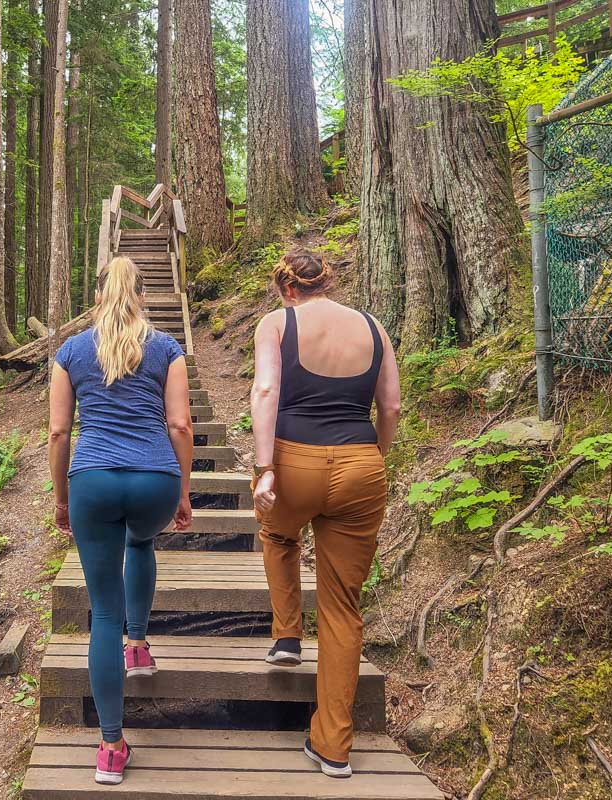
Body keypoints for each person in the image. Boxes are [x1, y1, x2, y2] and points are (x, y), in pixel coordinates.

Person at [249, 249, 401, 779]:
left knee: (278, 534)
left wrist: (265, 468)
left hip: (294, 461)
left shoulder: (277, 323)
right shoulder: (374, 328)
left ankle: (287, 634)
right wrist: (375, 455)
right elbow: (391, 407)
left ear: (287, 289)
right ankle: (334, 746)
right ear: (327, 283)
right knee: (342, 607)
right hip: (361, 465)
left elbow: (266, 390)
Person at [48, 255, 194, 786]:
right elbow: (180, 424)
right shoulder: (166, 348)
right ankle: (138, 645)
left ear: (98, 294)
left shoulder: (70, 351)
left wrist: (61, 499)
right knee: (141, 542)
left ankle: (111, 747)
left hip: (93, 481)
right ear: (143, 295)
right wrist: (183, 490)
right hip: (154, 480)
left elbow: (59, 433)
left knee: (102, 613)